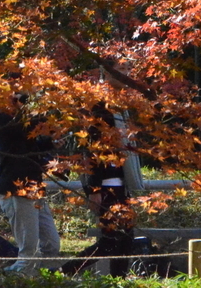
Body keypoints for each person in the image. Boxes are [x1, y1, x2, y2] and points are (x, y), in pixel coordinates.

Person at [63, 106, 136, 277]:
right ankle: (66, 269)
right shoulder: (99, 111)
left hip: (121, 187)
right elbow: (89, 156)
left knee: (125, 238)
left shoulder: (121, 111)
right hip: (106, 189)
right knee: (110, 241)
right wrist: (94, 189)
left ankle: (120, 278)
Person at [0, 92, 61, 272]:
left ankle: (46, 281)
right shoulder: (4, 117)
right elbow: (23, 131)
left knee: (51, 246)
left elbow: (32, 145)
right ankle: (9, 279)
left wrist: (51, 142)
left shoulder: (27, 121)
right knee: (28, 253)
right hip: (16, 188)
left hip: (35, 187)